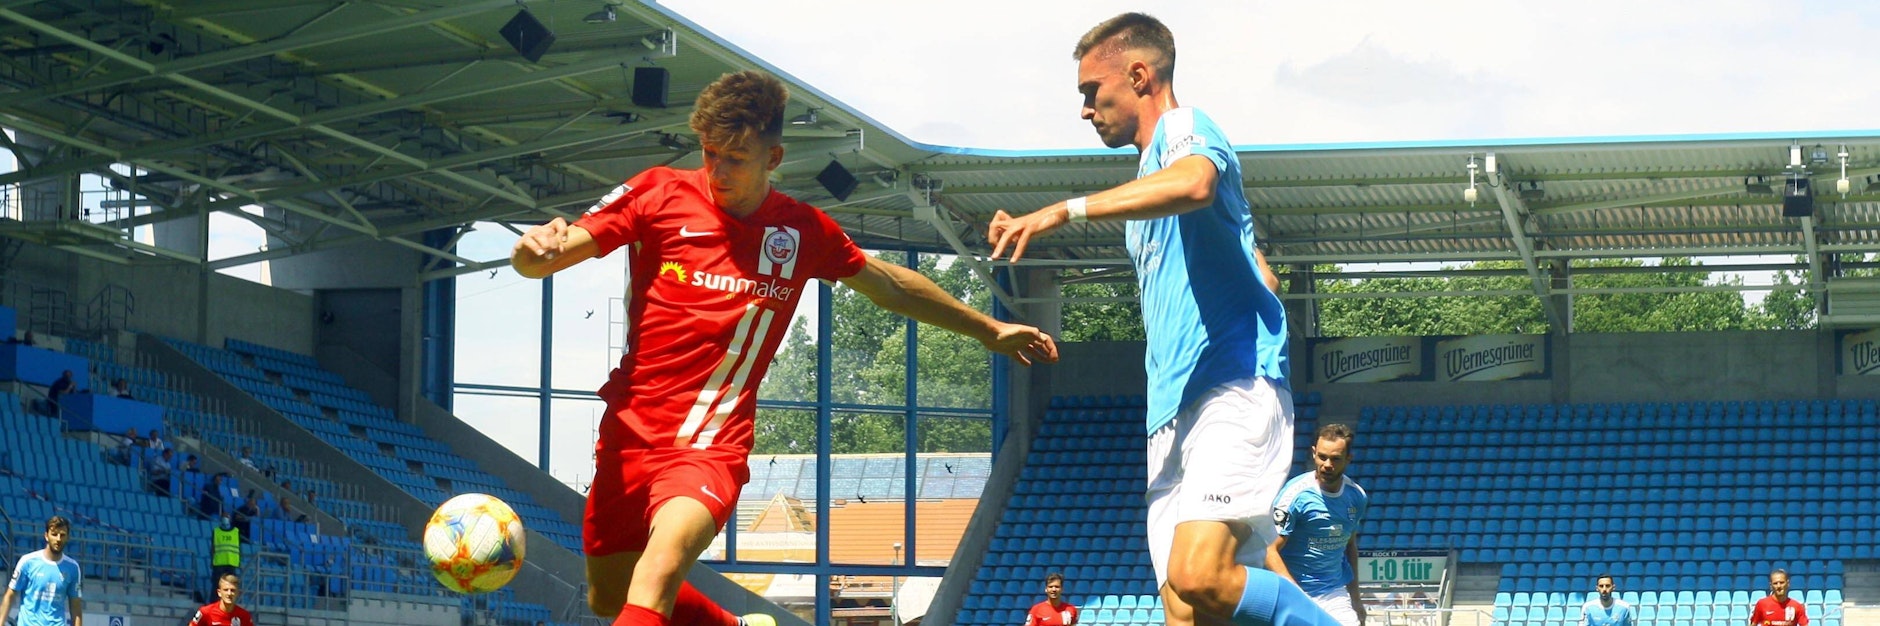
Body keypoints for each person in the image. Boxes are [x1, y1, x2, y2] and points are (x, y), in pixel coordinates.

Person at [509, 70, 1057, 626]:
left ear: (774, 157)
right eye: (709, 153)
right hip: (627, 437)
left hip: (708, 444)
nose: (718, 170)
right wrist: (531, 251)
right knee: (610, 596)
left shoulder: (800, 232)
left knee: (658, 571)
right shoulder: (658, 193)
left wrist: (989, 329)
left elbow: (891, 284)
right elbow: (546, 257)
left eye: (737, 158)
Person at [987, 13, 1322, 626]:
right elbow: (1261, 272)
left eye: (1093, 92)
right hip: (1169, 416)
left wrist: (1063, 211)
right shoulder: (1148, 185)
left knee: (1199, 576)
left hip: (1230, 386)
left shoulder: (1187, 129)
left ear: (1139, 75)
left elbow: (1196, 184)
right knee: (1184, 604)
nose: (1087, 110)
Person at [1267, 424, 1368, 626]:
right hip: (1292, 590)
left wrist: (1356, 597)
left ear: (1348, 458)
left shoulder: (1357, 496)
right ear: (1314, 453)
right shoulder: (1295, 495)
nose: (1327, 464)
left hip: (1333, 592)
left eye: (1335, 458)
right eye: (1322, 457)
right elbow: (1269, 550)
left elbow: (1350, 546)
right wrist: (1296, 597)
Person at [0, 516, 84, 626]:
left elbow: (76, 607)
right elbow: (10, 595)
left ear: (68, 537)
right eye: (54, 534)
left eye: (62, 535)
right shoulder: (28, 561)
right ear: (46, 536)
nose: (58, 539)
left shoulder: (73, 568)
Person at [188, 573, 253, 626]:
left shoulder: (244, 616)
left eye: (233, 590)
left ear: (238, 593)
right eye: (226, 590)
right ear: (219, 593)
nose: (229, 593)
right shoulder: (205, 612)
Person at [210, 517, 241, 598]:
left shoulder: (236, 532)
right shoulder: (216, 532)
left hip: (231, 563)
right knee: (217, 585)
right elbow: (213, 548)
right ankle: (215, 603)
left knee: (230, 586)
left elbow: (239, 548)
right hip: (219, 563)